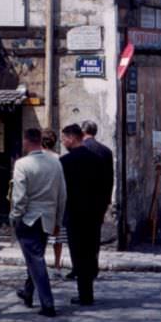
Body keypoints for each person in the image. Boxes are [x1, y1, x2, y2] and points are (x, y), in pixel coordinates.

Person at [10, 127, 66, 318]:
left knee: (36, 260)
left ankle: (47, 303)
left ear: (27, 141)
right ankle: (28, 292)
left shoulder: (22, 164)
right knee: (35, 257)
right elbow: (62, 195)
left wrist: (15, 216)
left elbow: (19, 197)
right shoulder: (55, 162)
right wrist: (58, 220)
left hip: (28, 218)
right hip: (48, 218)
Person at [60, 123, 106, 307]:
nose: (63, 142)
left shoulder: (65, 162)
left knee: (77, 254)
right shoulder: (97, 160)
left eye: (64, 139)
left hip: (74, 214)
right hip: (93, 214)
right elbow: (103, 189)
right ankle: (88, 292)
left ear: (72, 138)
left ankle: (84, 293)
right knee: (89, 253)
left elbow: (61, 191)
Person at [82, 120, 114, 273]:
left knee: (81, 236)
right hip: (100, 199)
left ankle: (82, 267)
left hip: (82, 199)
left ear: (83, 132)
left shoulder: (80, 150)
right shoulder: (106, 151)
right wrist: (107, 200)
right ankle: (93, 264)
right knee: (95, 234)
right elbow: (110, 178)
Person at [41, 129, 69, 278]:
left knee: (40, 240)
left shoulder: (35, 159)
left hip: (40, 204)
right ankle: (57, 266)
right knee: (57, 239)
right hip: (55, 203)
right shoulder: (59, 159)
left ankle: (40, 266)